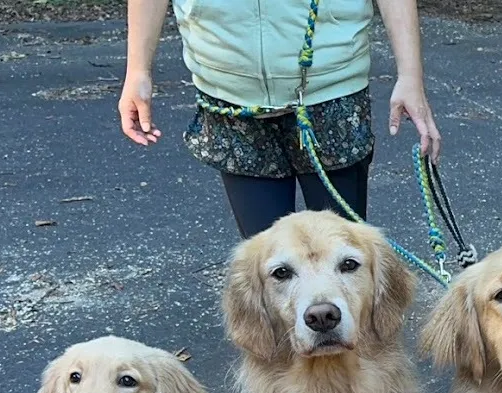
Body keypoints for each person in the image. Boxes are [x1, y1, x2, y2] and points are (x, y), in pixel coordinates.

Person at [117, 0, 441, 238]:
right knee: (269, 267)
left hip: (332, 88)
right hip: (228, 94)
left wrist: (411, 75)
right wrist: (137, 70)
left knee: (342, 263)